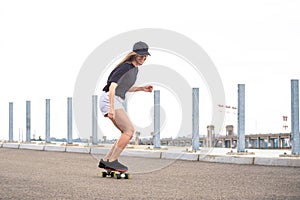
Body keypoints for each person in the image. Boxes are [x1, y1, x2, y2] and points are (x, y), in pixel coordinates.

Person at [98, 41, 153, 172]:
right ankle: (112, 161)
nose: (143, 59)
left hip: (114, 99)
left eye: (145, 57)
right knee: (129, 130)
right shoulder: (125, 67)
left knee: (125, 132)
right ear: (134, 55)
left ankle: (106, 160)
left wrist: (141, 88)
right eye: (141, 56)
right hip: (109, 99)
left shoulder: (134, 69)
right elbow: (112, 87)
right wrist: (111, 108)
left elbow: (125, 87)